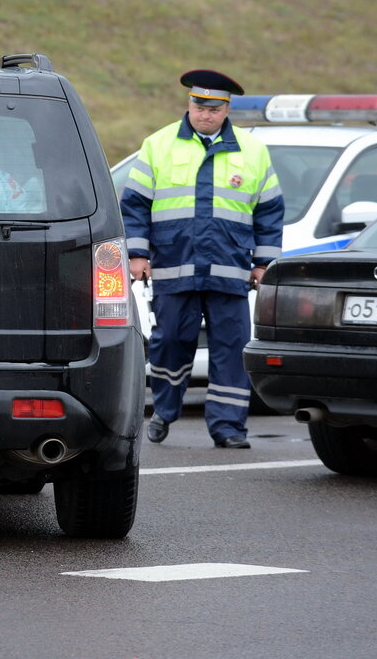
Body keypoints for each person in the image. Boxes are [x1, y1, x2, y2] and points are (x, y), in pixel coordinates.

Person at [120, 70, 284, 449]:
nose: (204, 114)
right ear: (188, 104)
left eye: (212, 108)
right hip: (174, 267)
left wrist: (263, 264)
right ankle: (164, 408)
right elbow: (135, 206)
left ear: (226, 109)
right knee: (170, 341)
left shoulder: (253, 150)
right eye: (197, 105)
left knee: (232, 347)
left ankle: (228, 428)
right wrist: (137, 254)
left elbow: (270, 211)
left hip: (230, 271)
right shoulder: (158, 145)